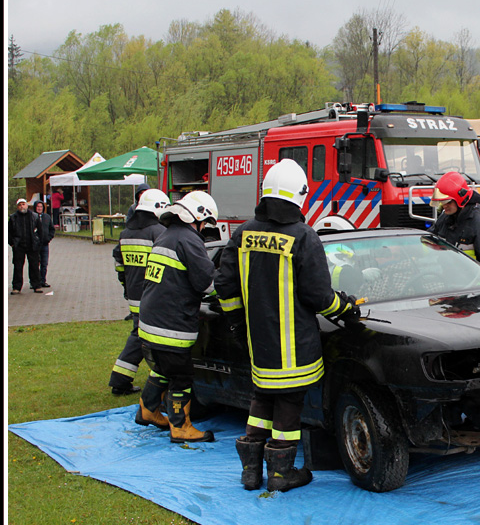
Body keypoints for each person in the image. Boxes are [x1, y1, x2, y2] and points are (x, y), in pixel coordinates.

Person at [215, 159, 358, 492]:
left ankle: (251, 472)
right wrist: (346, 307)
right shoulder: (304, 237)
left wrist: (238, 323)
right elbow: (320, 297)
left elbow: (224, 284)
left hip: (259, 344)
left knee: (261, 397)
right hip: (295, 347)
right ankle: (281, 474)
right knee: (289, 403)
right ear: (299, 196)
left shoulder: (243, 233)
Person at [138, 190, 219, 444]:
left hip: (150, 320)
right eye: (204, 223)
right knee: (181, 376)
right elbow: (207, 282)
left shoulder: (166, 236)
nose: (204, 228)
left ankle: (148, 410)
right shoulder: (189, 240)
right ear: (197, 217)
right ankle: (180, 427)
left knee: (162, 369)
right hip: (171, 325)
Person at [108, 189, 169, 400]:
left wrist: (126, 284)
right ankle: (121, 380)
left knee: (138, 335)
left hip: (134, 294)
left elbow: (119, 262)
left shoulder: (126, 233)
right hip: (153, 296)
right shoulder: (158, 232)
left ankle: (121, 378)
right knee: (147, 338)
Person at [430, 171, 480, 280]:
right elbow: (429, 239)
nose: (444, 205)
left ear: (461, 200)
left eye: (448, 202)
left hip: (471, 291)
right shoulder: (445, 219)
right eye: (442, 202)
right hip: (448, 284)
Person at [8, 198, 42, 294]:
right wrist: (12, 243)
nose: (21, 206)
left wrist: (38, 241)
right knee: (18, 266)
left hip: (32, 245)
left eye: (23, 204)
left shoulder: (34, 216)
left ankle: (36, 285)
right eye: (19, 205)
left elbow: (40, 230)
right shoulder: (13, 217)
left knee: (34, 266)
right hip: (18, 245)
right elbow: (8, 232)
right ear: (17, 206)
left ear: (27, 205)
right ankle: (17, 287)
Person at [32, 201, 55, 288]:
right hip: (35, 245)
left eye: (41, 207)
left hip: (45, 244)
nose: (39, 208)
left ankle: (43, 280)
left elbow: (52, 229)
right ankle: (34, 281)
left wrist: (49, 238)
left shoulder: (47, 217)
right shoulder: (32, 217)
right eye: (38, 207)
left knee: (44, 263)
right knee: (35, 263)